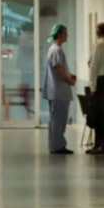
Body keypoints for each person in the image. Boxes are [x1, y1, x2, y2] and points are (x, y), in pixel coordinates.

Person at [42, 23, 77, 154]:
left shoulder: (54, 49)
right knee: (58, 120)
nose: (67, 35)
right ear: (60, 34)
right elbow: (58, 69)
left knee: (55, 119)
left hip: (56, 91)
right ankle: (57, 146)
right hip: (58, 91)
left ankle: (55, 145)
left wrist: (68, 75)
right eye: (65, 33)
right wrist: (69, 79)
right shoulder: (56, 50)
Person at [87, 22, 104, 155]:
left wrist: (92, 86)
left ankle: (99, 144)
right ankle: (102, 143)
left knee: (98, 114)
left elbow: (93, 67)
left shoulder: (99, 45)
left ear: (99, 32)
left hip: (100, 82)